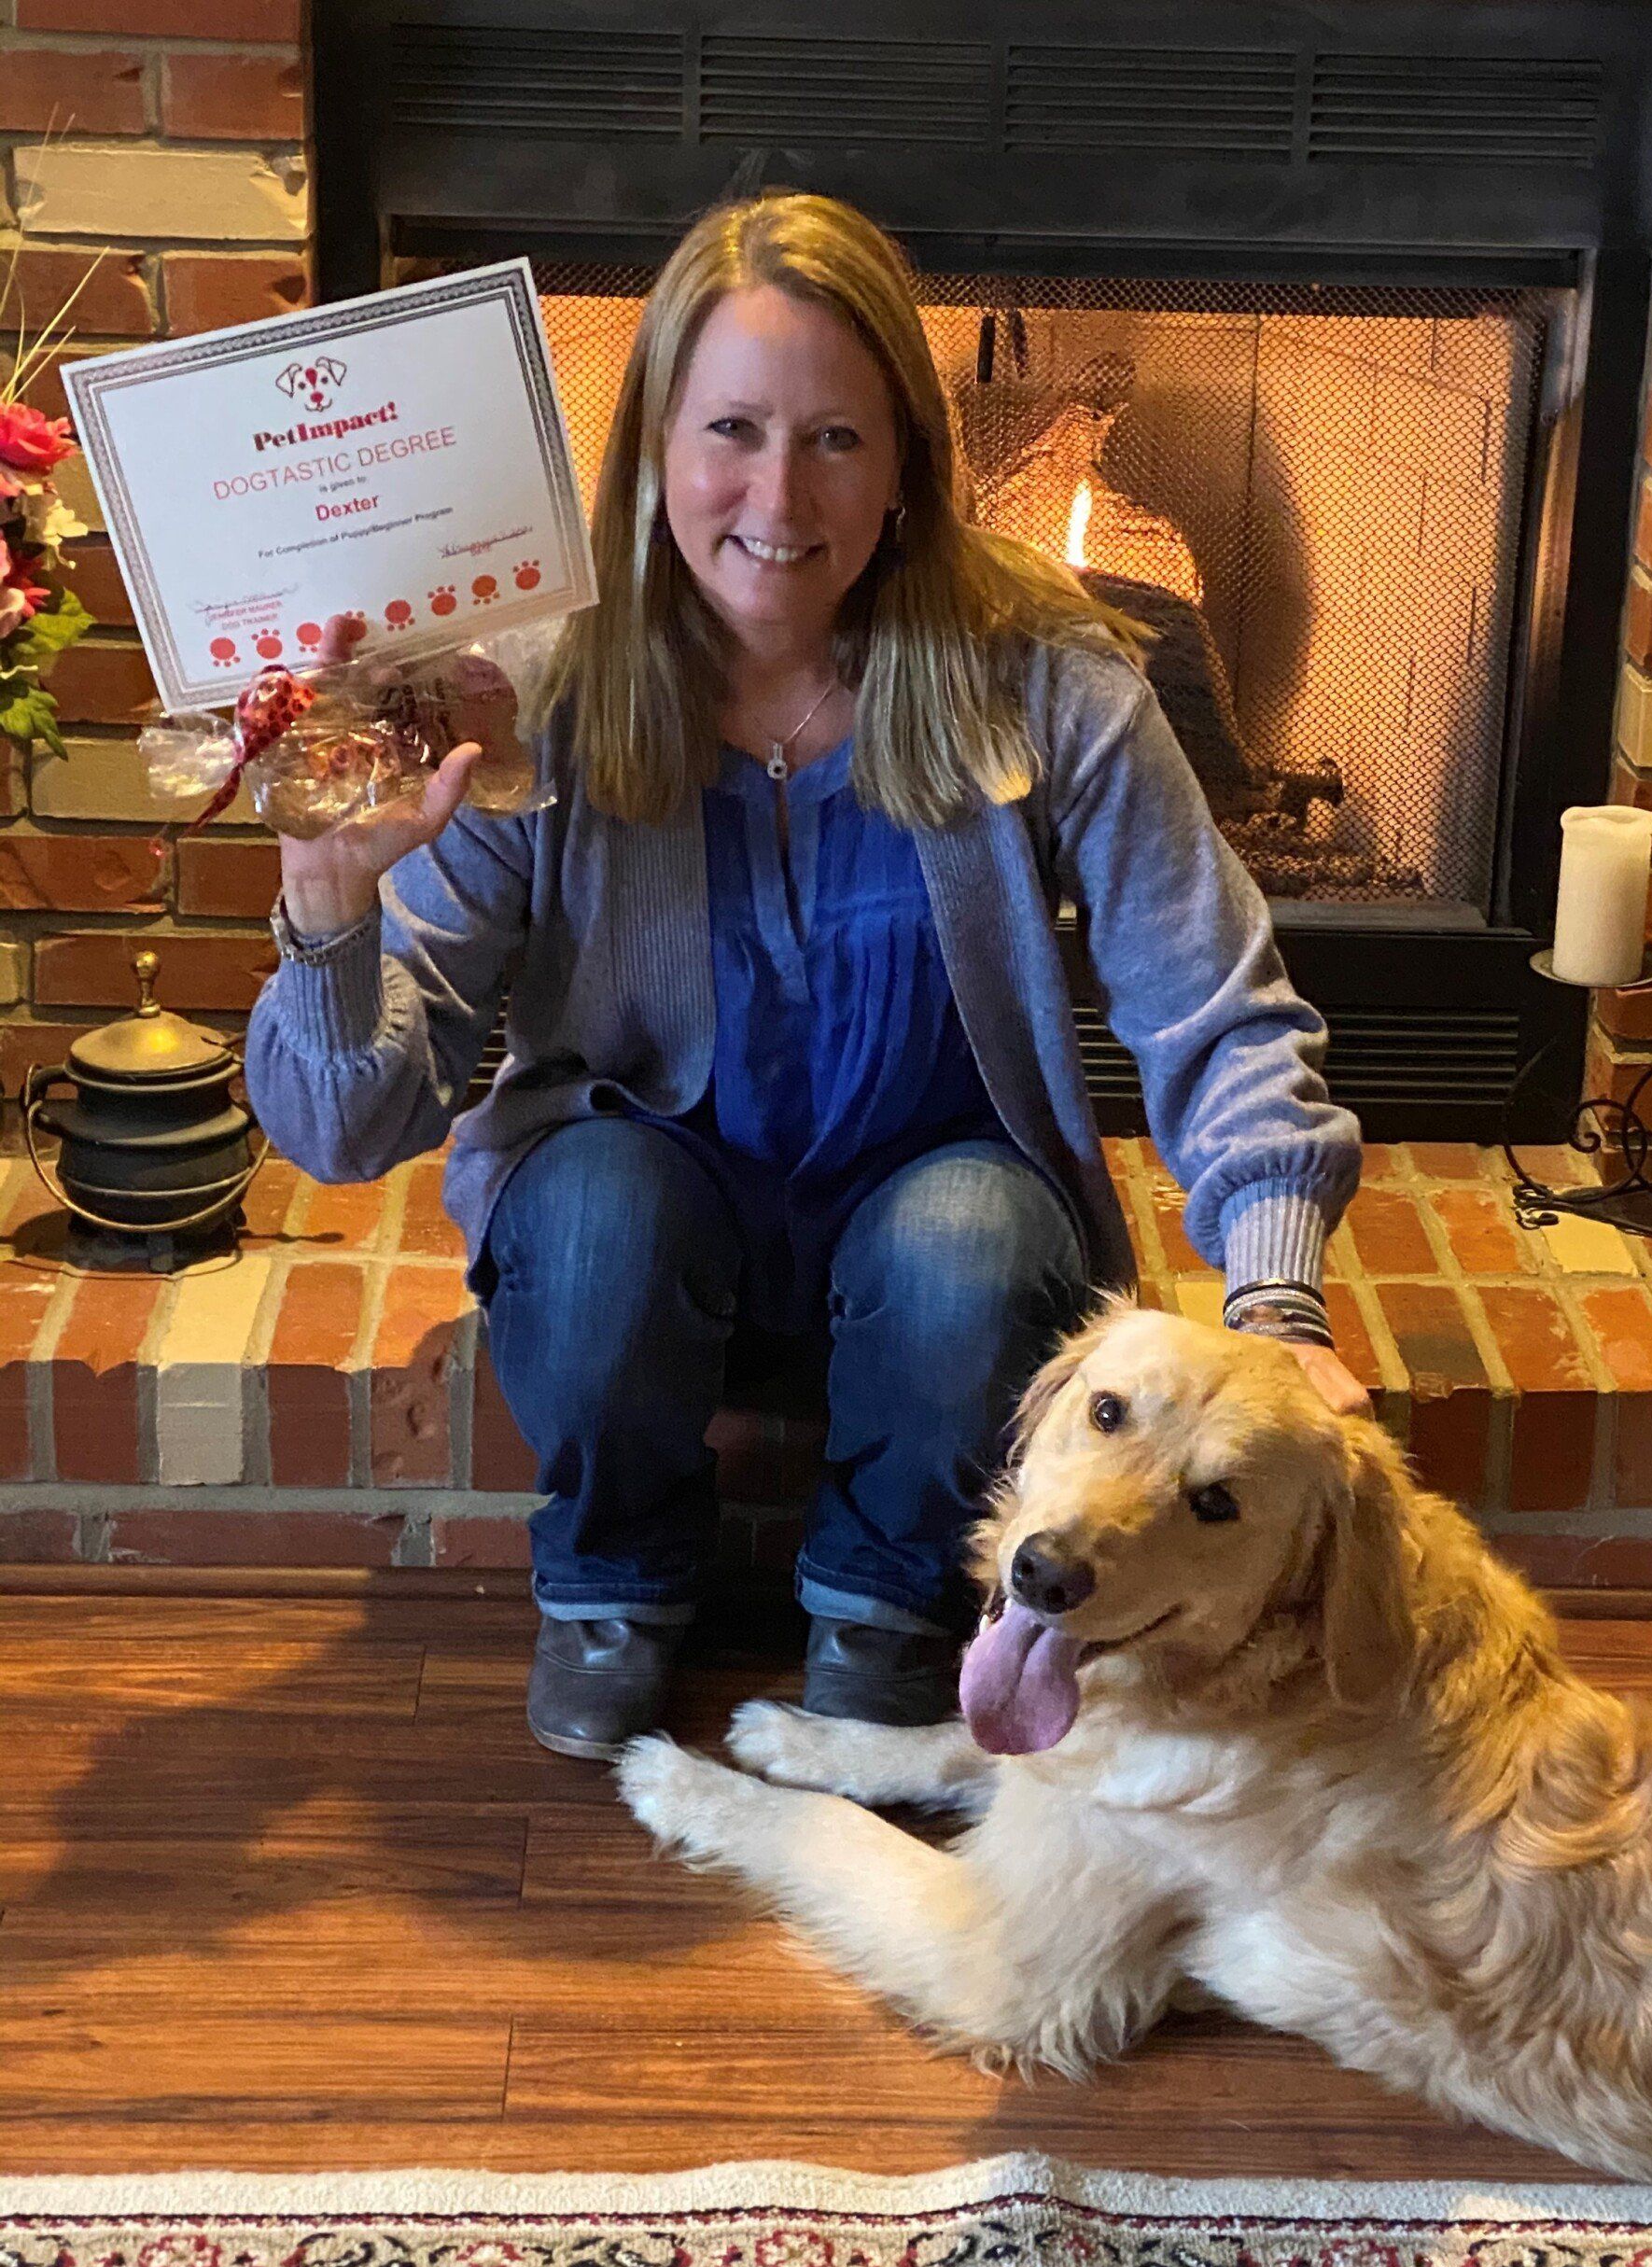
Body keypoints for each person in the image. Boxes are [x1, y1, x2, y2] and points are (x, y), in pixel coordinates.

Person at [245, 190, 1368, 1761]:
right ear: (651, 446)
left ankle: (889, 1601)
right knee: (587, 1217)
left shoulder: (1051, 677)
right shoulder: (533, 697)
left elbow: (1210, 995)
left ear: (909, 456)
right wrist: (329, 911)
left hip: (936, 1236)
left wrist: (1278, 1294)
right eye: (732, 430)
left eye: (836, 438)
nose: (778, 493)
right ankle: (614, 1577)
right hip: (646, 1218)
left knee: (977, 1234)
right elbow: (346, 1132)